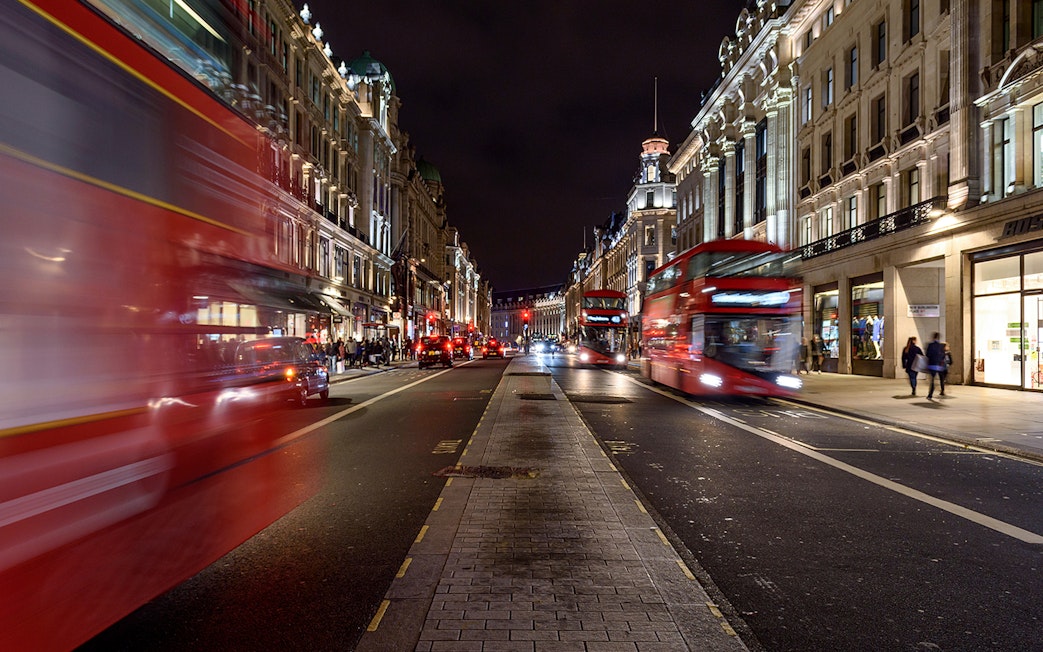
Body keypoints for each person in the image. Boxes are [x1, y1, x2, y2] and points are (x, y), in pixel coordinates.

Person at [925, 332, 947, 399]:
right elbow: (943, 355)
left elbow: (927, 354)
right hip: (940, 365)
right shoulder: (941, 346)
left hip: (932, 364)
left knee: (932, 380)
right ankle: (942, 390)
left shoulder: (930, 345)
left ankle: (930, 394)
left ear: (933, 337)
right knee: (941, 379)